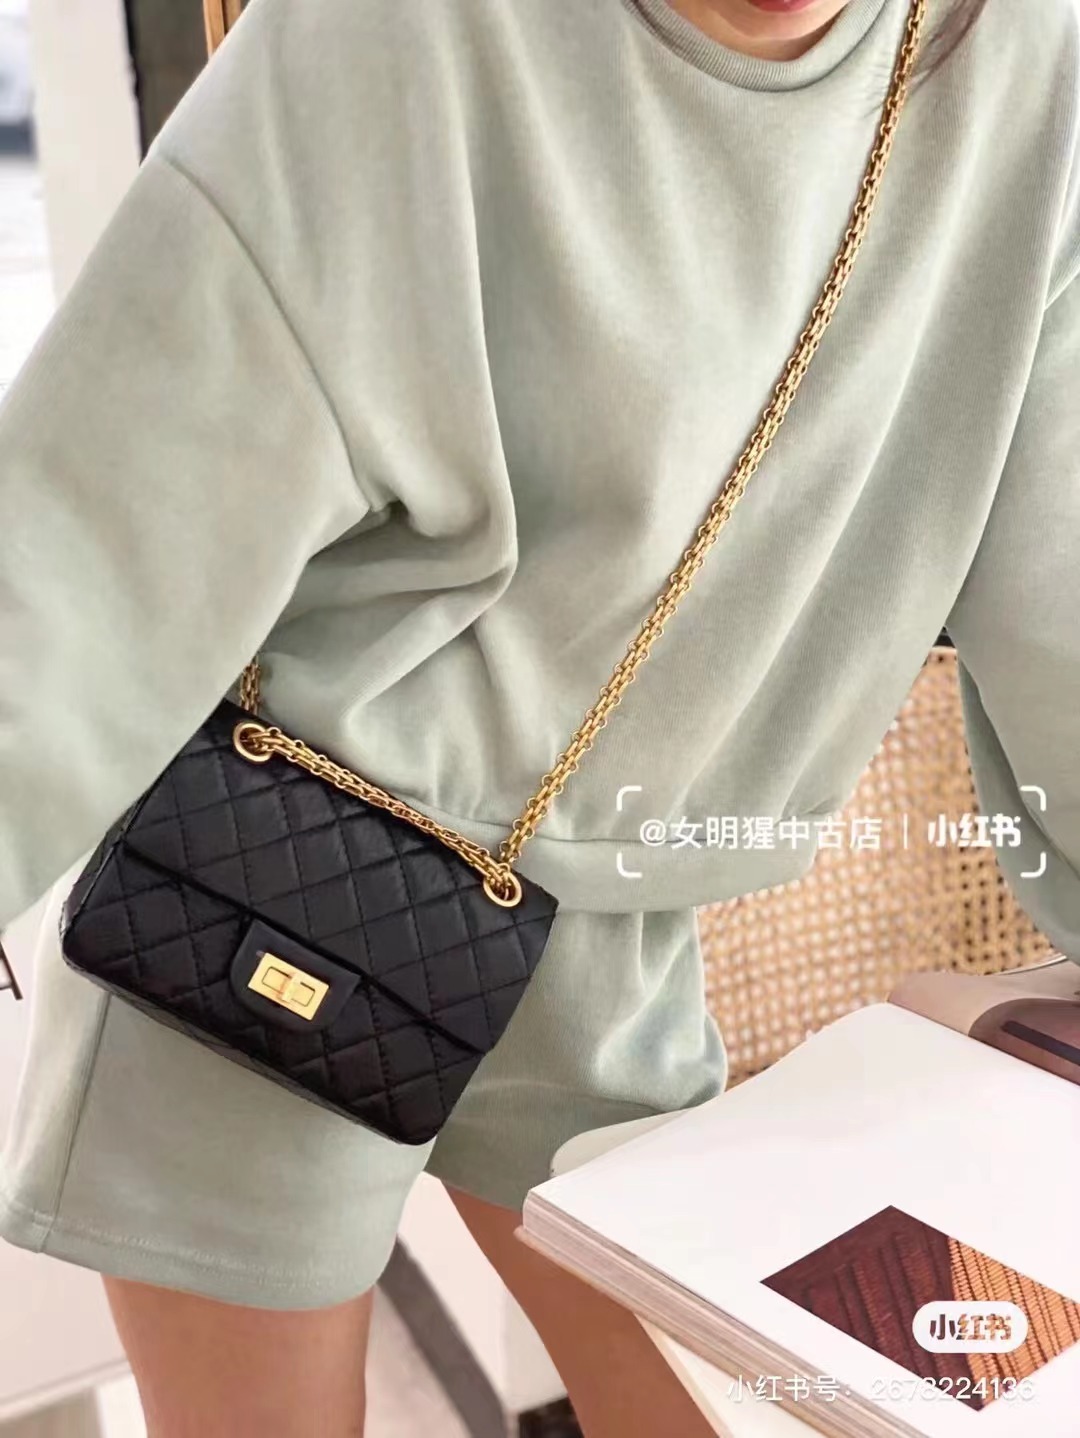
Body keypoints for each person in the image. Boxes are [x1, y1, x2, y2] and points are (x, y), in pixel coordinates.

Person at [1, 0, 1078, 1433]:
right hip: (268, 883)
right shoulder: (387, 38)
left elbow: (1066, 592)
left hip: (603, 939)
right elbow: (87, 541)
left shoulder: (1032, 70)